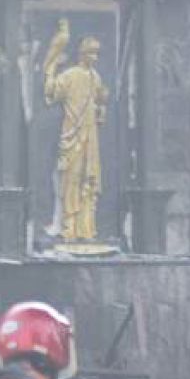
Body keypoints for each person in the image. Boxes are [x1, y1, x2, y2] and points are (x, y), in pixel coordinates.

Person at [43, 20, 109, 243]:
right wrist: (50, 70)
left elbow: (100, 100)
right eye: (91, 52)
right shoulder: (70, 75)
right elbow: (51, 94)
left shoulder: (95, 77)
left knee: (89, 180)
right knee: (71, 180)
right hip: (72, 134)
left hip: (91, 137)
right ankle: (68, 227)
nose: (95, 57)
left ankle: (86, 228)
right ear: (81, 53)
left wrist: (101, 108)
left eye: (97, 53)